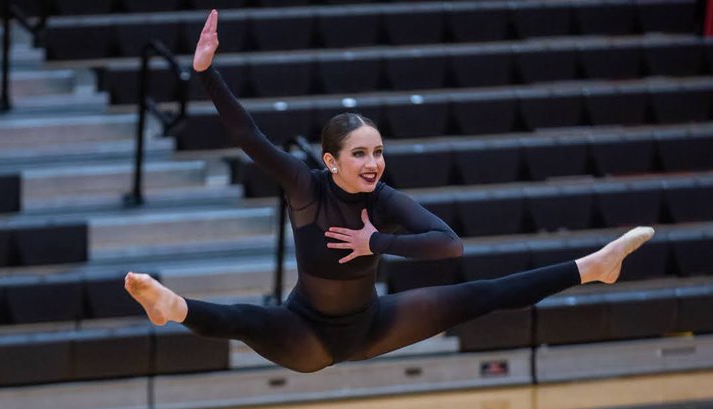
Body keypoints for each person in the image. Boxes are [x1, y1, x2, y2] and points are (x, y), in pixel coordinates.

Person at [125, 9, 653, 373]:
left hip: (372, 326)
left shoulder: (382, 200)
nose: (373, 163)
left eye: (377, 152)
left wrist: (375, 244)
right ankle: (174, 305)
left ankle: (593, 267)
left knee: (482, 294)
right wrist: (205, 72)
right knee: (247, 320)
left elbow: (449, 245)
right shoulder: (305, 189)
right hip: (305, 333)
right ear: (330, 161)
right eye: (359, 154)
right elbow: (248, 136)